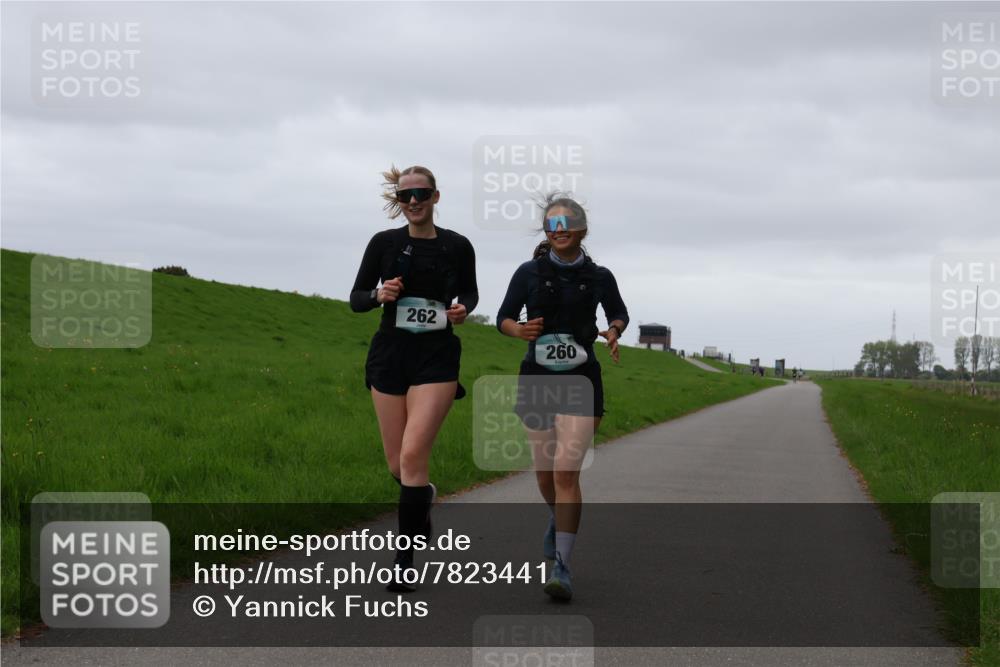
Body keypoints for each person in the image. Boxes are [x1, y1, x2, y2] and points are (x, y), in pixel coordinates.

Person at [350, 165, 478, 592]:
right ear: (398, 202)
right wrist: (377, 295)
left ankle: (404, 564)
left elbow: (472, 292)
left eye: (421, 193)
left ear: (436, 197)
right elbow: (356, 298)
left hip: (437, 358)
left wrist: (461, 308)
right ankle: (422, 497)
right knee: (396, 464)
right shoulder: (384, 244)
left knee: (411, 458)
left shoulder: (457, 246)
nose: (414, 201)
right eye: (406, 196)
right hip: (390, 355)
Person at [496, 194, 628, 601]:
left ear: (582, 229)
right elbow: (503, 316)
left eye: (567, 223)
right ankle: (559, 520)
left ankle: (562, 565)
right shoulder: (527, 273)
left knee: (565, 473)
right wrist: (518, 331)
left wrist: (613, 331)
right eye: (552, 224)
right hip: (537, 379)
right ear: (546, 232)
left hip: (582, 380)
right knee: (545, 476)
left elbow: (619, 312)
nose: (560, 230)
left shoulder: (600, 276)